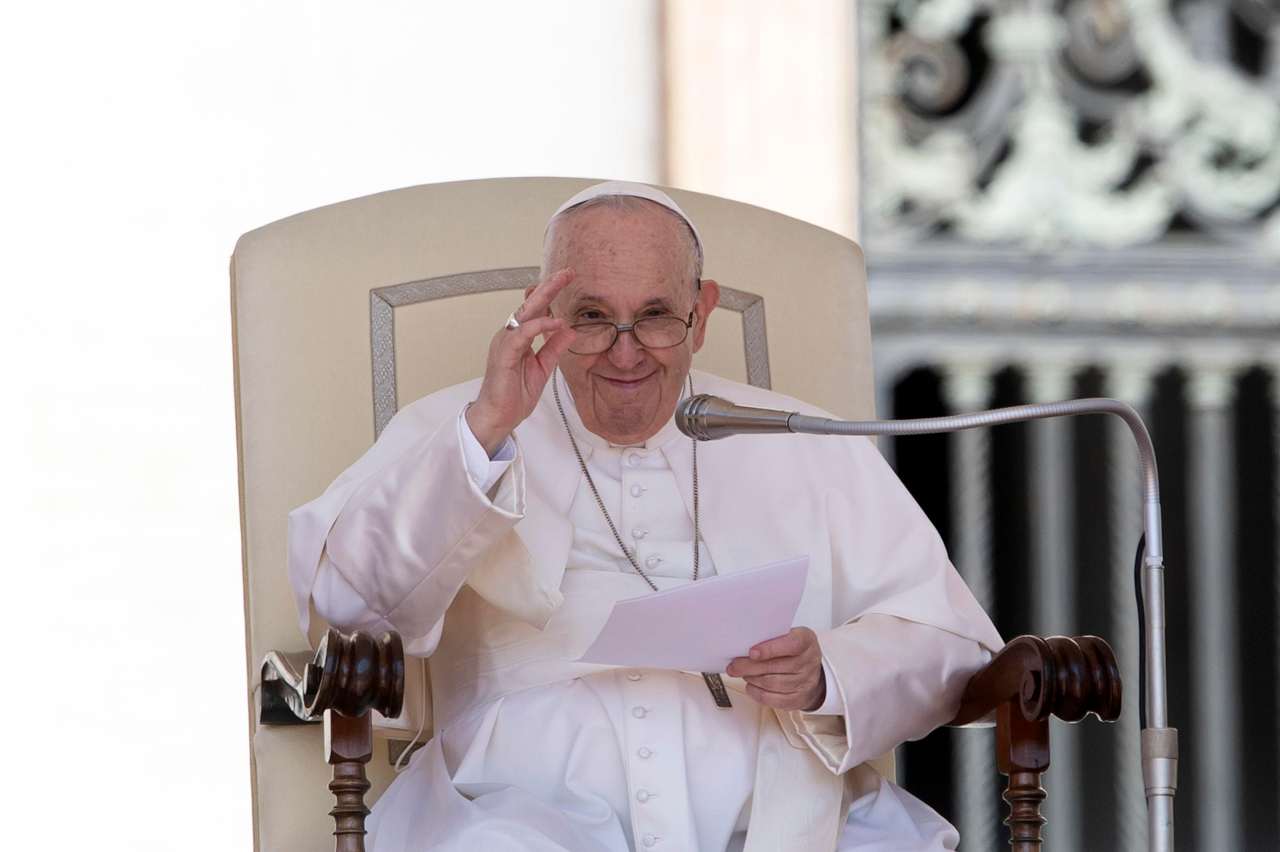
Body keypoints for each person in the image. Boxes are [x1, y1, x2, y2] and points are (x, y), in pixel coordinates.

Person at [288, 181, 1004, 851]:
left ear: (703, 314)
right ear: (541, 312)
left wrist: (831, 674)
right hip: (521, 802)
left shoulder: (800, 437)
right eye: (592, 318)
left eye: (656, 316)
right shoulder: (463, 422)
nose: (625, 353)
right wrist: (483, 434)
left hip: (780, 803)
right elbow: (349, 602)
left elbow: (952, 642)